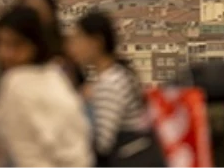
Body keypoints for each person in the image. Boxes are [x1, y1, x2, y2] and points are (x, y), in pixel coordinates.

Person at [0, 5, 93, 168]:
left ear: (35, 45)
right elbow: (9, 122)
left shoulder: (17, 81)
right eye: (0, 44)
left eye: (16, 45)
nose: (5, 53)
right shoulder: (54, 76)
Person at [69, 10, 166, 168]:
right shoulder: (117, 75)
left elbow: (102, 143)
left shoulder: (110, 83)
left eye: (78, 39)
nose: (73, 48)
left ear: (96, 42)